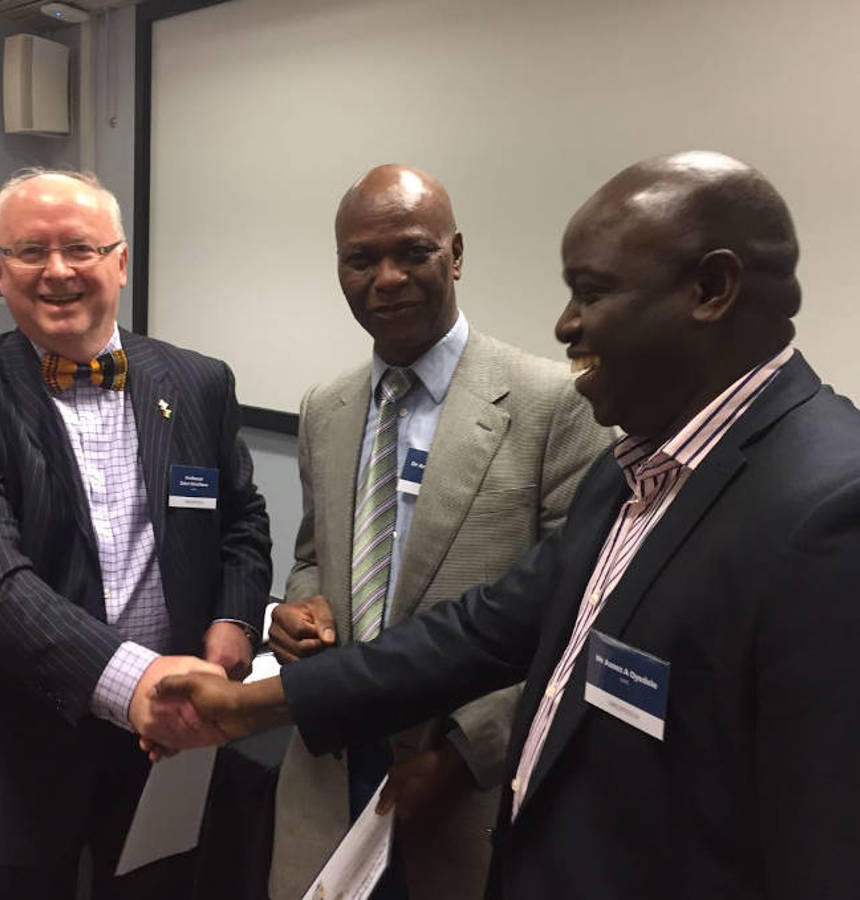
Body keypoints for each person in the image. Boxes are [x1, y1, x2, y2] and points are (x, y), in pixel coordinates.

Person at [155, 150, 860, 898]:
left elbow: (820, 849)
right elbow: (485, 631)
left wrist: (460, 759)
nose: (566, 324)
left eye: (592, 292)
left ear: (711, 289)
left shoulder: (829, 510)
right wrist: (248, 705)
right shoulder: (636, 472)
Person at [265, 164, 613, 899]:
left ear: (455, 255)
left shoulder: (553, 403)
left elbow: (579, 609)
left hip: (466, 785)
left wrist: (461, 759)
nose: (386, 278)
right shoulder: (325, 408)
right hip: (327, 773)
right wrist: (296, 612)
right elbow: (311, 559)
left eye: (412, 252)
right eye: (361, 260)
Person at [0, 169, 272, 899]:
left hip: (175, 740)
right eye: (30, 252)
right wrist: (142, 684)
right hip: (21, 742)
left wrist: (231, 620)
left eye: (81, 248)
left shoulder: (199, 382)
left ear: (121, 263)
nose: (58, 271)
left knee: (158, 886)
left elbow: (244, 521)